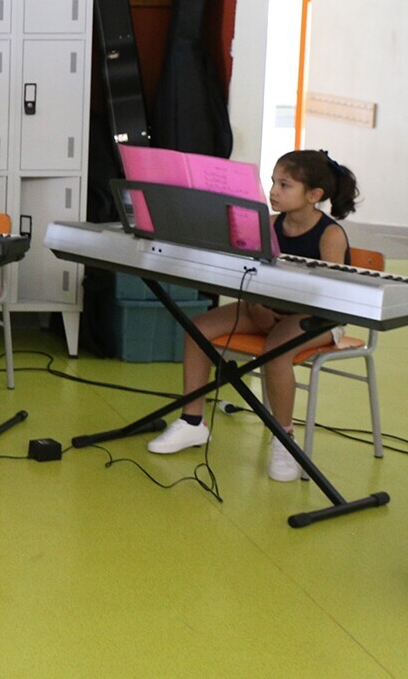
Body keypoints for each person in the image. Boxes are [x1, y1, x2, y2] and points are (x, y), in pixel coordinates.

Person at [146, 149, 360, 481]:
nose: (273, 191)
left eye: (285, 185)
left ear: (313, 195)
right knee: (197, 328)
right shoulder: (269, 224)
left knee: (276, 349)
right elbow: (249, 272)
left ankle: (284, 437)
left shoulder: (330, 235)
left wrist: (283, 314)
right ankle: (192, 422)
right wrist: (257, 307)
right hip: (267, 310)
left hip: (319, 318)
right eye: (273, 182)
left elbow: (331, 295)